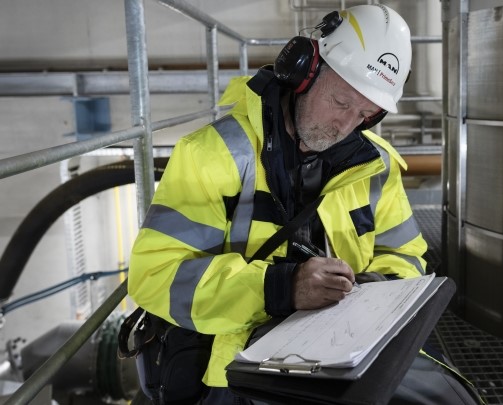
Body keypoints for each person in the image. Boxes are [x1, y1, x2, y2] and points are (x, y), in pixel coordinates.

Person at [128, 4, 479, 404]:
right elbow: (156, 274)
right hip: (233, 366)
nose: (345, 126)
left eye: (366, 114)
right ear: (305, 72)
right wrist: (280, 288)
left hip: (344, 351)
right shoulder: (215, 155)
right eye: (342, 103)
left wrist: (374, 291)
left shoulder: (377, 166)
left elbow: (405, 255)